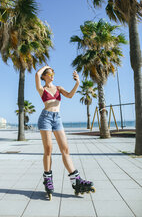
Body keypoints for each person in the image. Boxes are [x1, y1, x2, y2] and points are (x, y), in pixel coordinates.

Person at [35, 65, 95, 199]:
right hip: (45, 119)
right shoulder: (42, 89)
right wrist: (46, 66)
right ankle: (48, 179)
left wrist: (77, 82)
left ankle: (76, 180)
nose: (51, 76)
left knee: (65, 149)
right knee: (48, 149)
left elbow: (70, 95)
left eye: (52, 73)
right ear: (44, 76)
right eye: (49, 74)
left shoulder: (59, 88)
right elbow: (36, 74)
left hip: (57, 119)